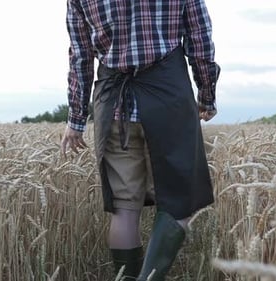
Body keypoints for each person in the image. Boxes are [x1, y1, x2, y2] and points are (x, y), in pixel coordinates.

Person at [60, 0, 220, 280]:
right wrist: (206, 94)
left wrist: (75, 119)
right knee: (178, 201)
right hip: (169, 101)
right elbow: (200, 37)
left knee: (123, 208)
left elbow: (80, 56)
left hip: (113, 107)